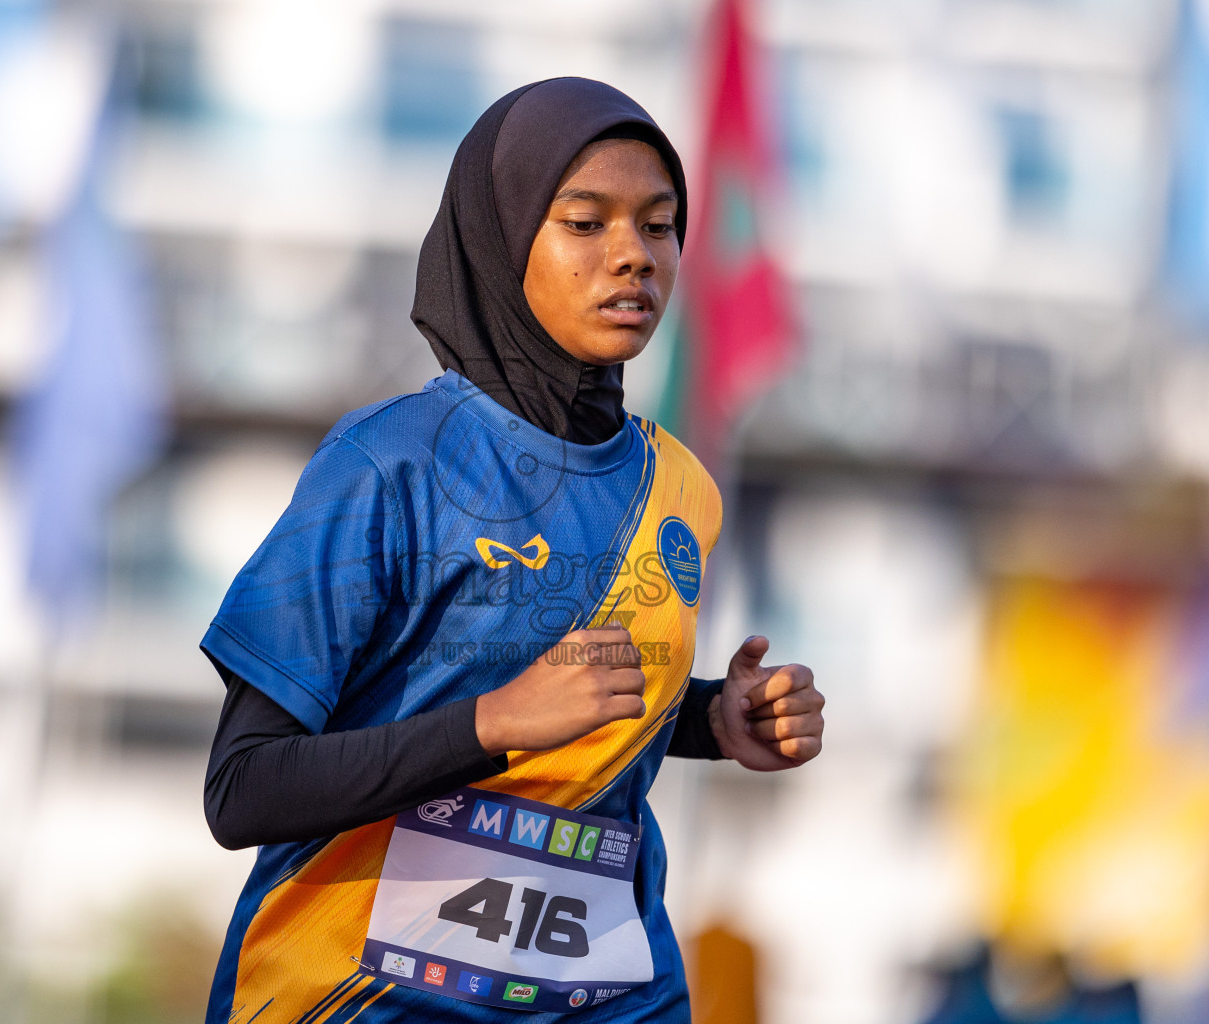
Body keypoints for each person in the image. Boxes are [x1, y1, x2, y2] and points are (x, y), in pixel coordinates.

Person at [199, 77, 825, 1023]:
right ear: (501, 240)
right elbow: (243, 788)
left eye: (659, 228)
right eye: (585, 223)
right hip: (363, 1001)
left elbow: (583, 708)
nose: (633, 258)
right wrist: (491, 724)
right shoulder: (389, 462)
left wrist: (709, 723)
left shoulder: (680, 488)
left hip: (606, 996)